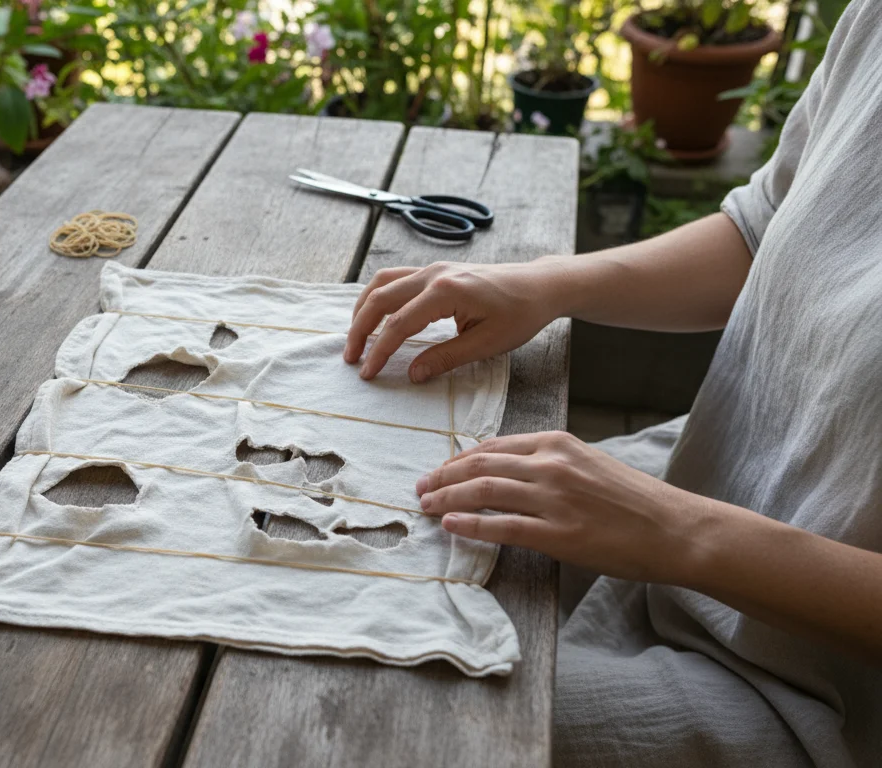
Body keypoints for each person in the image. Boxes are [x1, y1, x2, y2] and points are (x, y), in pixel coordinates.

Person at [344, 3, 881, 766]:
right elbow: (762, 227)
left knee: (379, 715)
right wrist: (545, 285)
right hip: (701, 474)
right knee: (366, 546)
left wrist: (675, 533)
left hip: (809, 691)